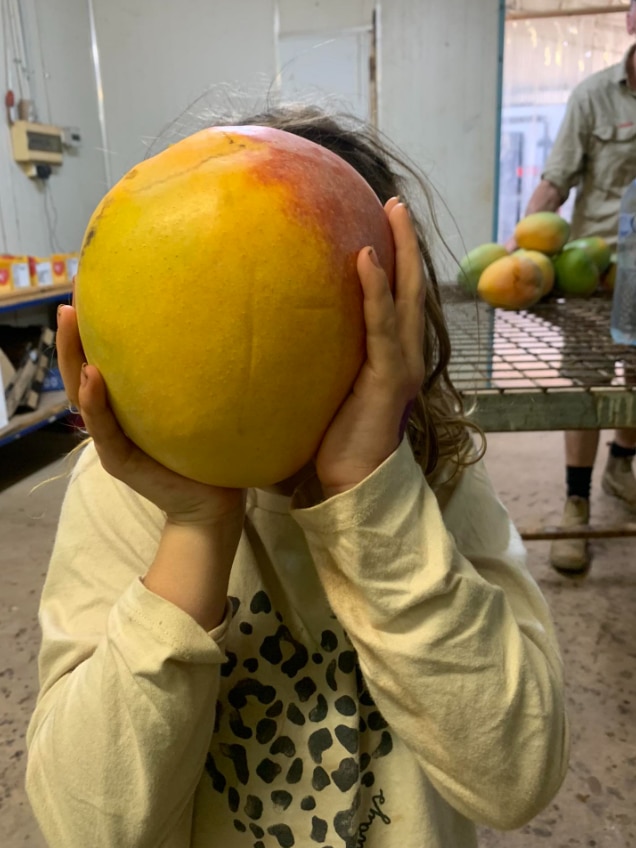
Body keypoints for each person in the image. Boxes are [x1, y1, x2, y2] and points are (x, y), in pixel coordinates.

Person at [25, 104, 569, 848]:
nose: (251, 349)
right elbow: (90, 829)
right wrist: (194, 527)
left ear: (399, 331)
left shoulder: (433, 473)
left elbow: (517, 777)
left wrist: (372, 494)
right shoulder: (120, 493)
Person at [509, 2, 636, 574]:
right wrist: (523, 245)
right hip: (595, 271)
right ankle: (576, 504)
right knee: (588, 384)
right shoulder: (594, 96)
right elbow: (557, 178)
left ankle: (621, 465)